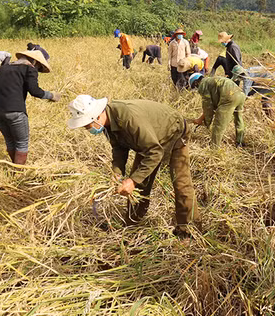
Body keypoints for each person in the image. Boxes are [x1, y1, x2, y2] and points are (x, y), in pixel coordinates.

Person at [66, 95, 198, 237]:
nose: (87, 129)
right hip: (148, 142)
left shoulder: (129, 119)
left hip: (174, 132)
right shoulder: (107, 123)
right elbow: (119, 148)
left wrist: (132, 180)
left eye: (87, 125)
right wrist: (117, 172)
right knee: (140, 186)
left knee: (181, 184)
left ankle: (188, 231)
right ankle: (131, 227)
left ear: (96, 116)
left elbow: (155, 152)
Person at [0, 50, 60, 165]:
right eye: (38, 67)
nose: (37, 70)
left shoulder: (3, 68)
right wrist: (51, 95)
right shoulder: (29, 68)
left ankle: (14, 168)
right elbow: (35, 91)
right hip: (15, 111)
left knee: (10, 140)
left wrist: (1, 101)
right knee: (22, 143)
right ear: (34, 61)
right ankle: (19, 173)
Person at [189, 72, 246, 147]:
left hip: (229, 96)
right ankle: (240, 142)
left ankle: (214, 148)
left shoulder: (202, 85)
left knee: (218, 124)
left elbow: (208, 107)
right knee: (238, 118)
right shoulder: (210, 81)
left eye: (195, 87)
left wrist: (207, 122)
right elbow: (213, 105)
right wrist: (201, 118)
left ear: (196, 83)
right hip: (240, 94)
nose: (197, 90)